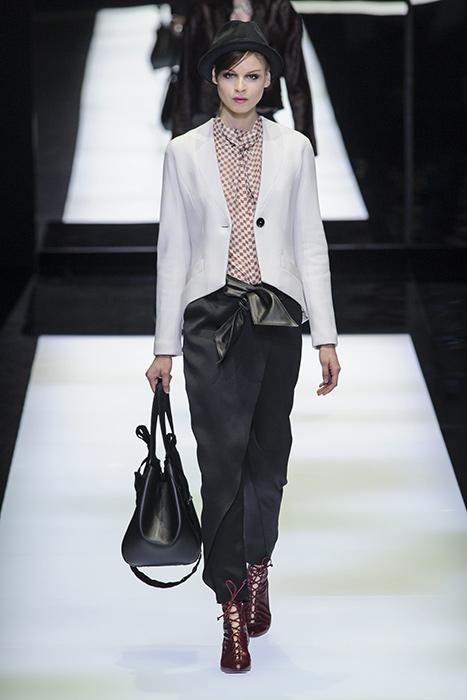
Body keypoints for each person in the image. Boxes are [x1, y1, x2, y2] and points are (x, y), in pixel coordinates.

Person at [146, 20, 340, 674]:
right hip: (209, 324)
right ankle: (229, 600)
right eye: (230, 75)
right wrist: (164, 346)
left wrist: (325, 335)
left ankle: (258, 566)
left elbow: (310, 244)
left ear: (268, 82)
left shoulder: (294, 149)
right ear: (213, 79)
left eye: (252, 76)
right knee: (220, 463)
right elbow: (172, 252)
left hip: (277, 319)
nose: (240, 86)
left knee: (268, 458)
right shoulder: (183, 153)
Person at [170, 0, 317, 152]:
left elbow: (296, 76)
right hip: (208, 113)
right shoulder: (204, 8)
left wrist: (305, 144)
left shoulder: (279, 8)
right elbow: (186, 76)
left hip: (261, 112)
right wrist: (179, 138)